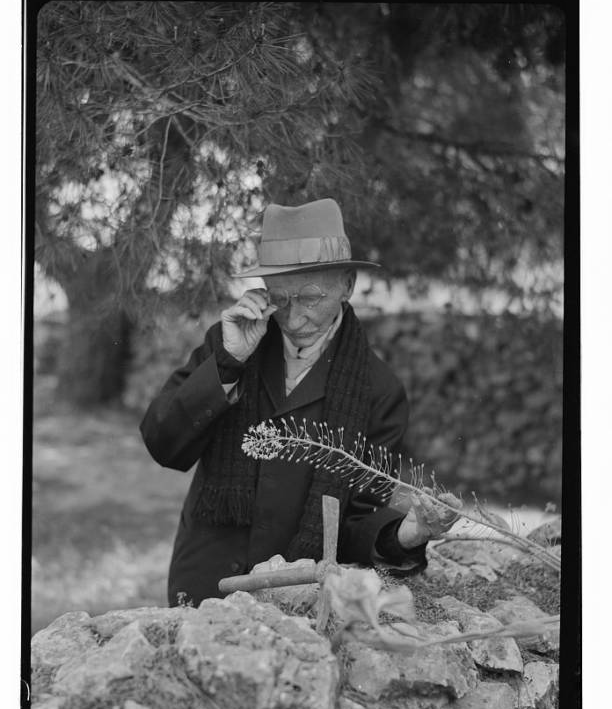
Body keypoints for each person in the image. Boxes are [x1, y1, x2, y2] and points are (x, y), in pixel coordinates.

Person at [140, 198, 452, 606]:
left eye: (310, 297)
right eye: (280, 298)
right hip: (204, 582)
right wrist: (228, 363)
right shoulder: (229, 342)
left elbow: (355, 523)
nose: (292, 317)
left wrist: (404, 535)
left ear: (347, 284)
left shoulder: (379, 391)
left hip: (294, 600)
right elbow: (163, 444)